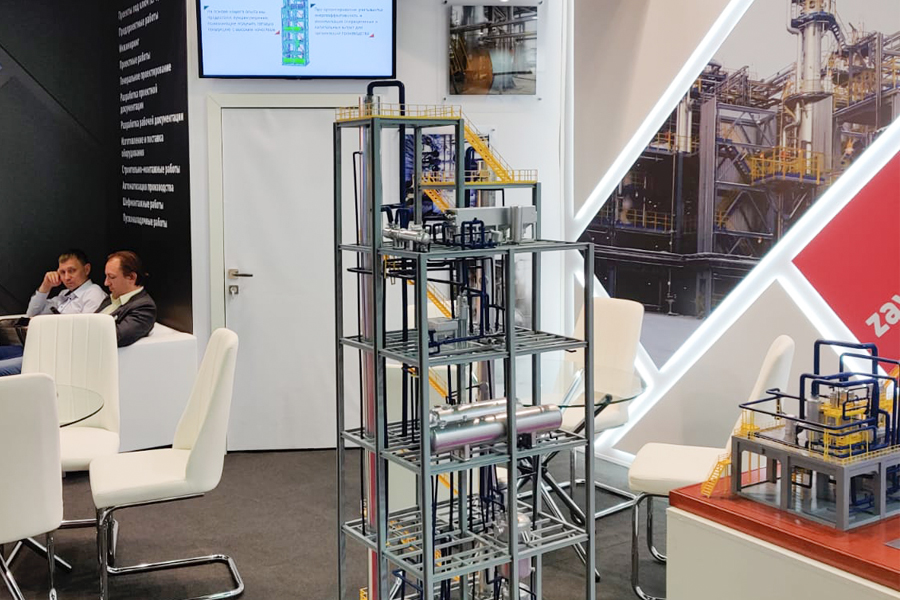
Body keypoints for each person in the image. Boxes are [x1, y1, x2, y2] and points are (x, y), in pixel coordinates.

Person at [0, 249, 108, 376]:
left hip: (59, 357)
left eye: (72, 271)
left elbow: (83, 334)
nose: (67, 277)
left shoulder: (93, 293)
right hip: (39, 348)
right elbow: (32, 313)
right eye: (62, 272)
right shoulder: (64, 295)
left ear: (86, 269)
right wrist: (45, 286)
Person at [96, 250, 156, 347]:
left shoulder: (145, 308)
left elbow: (114, 337)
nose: (106, 283)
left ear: (131, 277)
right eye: (106, 276)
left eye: (112, 277)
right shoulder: (111, 298)